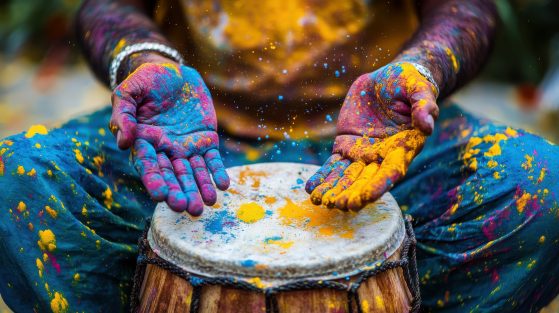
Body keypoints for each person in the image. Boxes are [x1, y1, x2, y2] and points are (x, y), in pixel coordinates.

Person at [0, 0, 557, 311]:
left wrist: (421, 70)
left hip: (378, 138)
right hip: (186, 135)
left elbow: (468, 10)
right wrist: (147, 60)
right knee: (15, 184)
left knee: (544, 190)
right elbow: (106, 7)